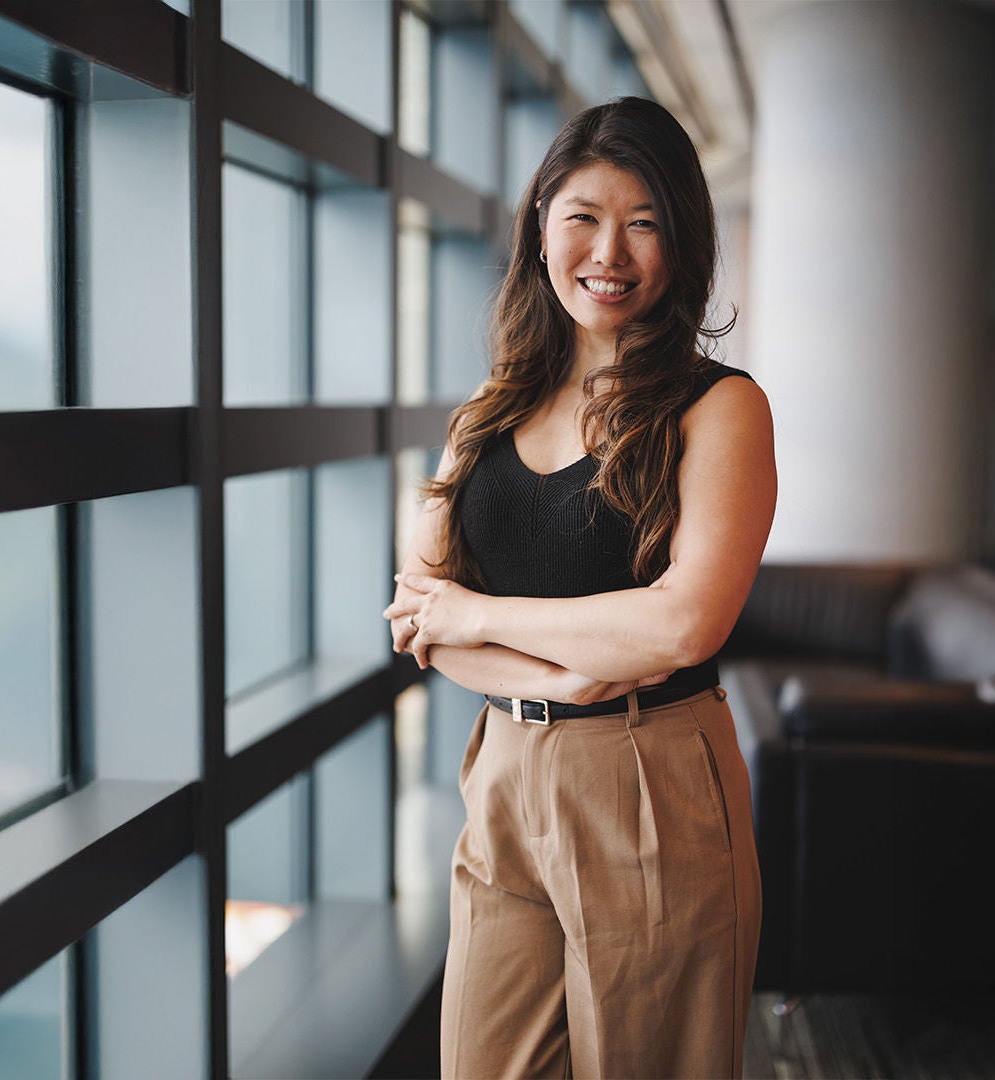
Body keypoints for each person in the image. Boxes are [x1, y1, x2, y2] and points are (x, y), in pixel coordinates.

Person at [381, 96, 775, 1079]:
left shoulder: (719, 408)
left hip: (650, 779)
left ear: (682, 243)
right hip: (505, 771)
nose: (610, 250)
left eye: (644, 222)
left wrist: (483, 617)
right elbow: (416, 612)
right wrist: (550, 677)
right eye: (584, 218)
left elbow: (687, 621)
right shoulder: (487, 411)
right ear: (540, 229)